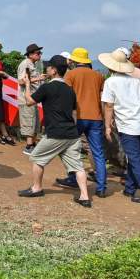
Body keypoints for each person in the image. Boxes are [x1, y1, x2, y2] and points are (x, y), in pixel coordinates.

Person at [18, 55, 92, 207]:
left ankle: (37, 188)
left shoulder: (47, 87)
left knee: (37, 158)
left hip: (55, 133)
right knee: (78, 166)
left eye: (49, 67)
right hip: (71, 134)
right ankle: (84, 197)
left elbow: (29, 102)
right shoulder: (70, 90)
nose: (47, 69)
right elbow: (73, 112)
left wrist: (26, 85)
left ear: (53, 70)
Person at [100, 48, 140, 205]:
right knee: (135, 158)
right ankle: (130, 187)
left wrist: (107, 126)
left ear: (110, 66)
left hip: (128, 127)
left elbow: (108, 106)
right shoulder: (136, 82)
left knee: (134, 159)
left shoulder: (110, 82)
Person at [58, 47, 108, 197]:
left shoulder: (70, 75)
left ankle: (73, 178)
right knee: (98, 152)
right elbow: (103, 98)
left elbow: (65, 97)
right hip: (96, 118)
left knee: (70, 149)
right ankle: (101, 187)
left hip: (77, 116)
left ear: (75, 61)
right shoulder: (99, 76)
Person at [16, 43, 45, 155]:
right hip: (26, 98)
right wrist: (38, 78)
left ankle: (32, 144)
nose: (40, 55)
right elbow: (21, 81)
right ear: (31, 54)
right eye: (38, 53)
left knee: (34, 121)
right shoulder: (25, 64)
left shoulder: (33, 64)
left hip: (33, 98)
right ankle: (28, 146)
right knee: (29, 121)